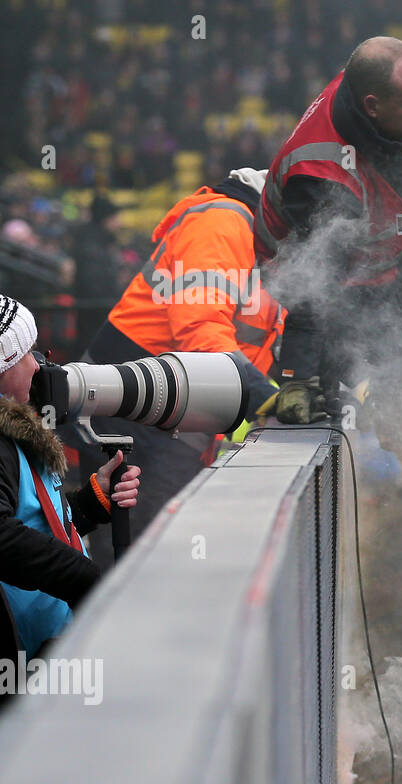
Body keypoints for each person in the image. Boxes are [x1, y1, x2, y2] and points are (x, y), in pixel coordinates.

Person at [255, 36, 402, 477]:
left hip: (370, 252)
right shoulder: (319, 174)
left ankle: (386, 411)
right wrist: (298, 378)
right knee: (389, 358)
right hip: (310, 276)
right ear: (373, 107)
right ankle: (335, 377)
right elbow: (314, 282)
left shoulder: (380, 96)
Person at [67, 168, 283, 551]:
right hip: (136, 404)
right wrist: (264, 398)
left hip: (173, 409)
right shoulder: (222, 221)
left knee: (157, 542)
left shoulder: (261, 240)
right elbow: (200, 330)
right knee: (138, 549)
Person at [0, 295, 141, 664]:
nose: (37, 364)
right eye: (27, 352)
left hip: (47, 641)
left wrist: (95, 499)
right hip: (23, 659)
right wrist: (86, 580)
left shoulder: (17, 431)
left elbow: (35, 521)